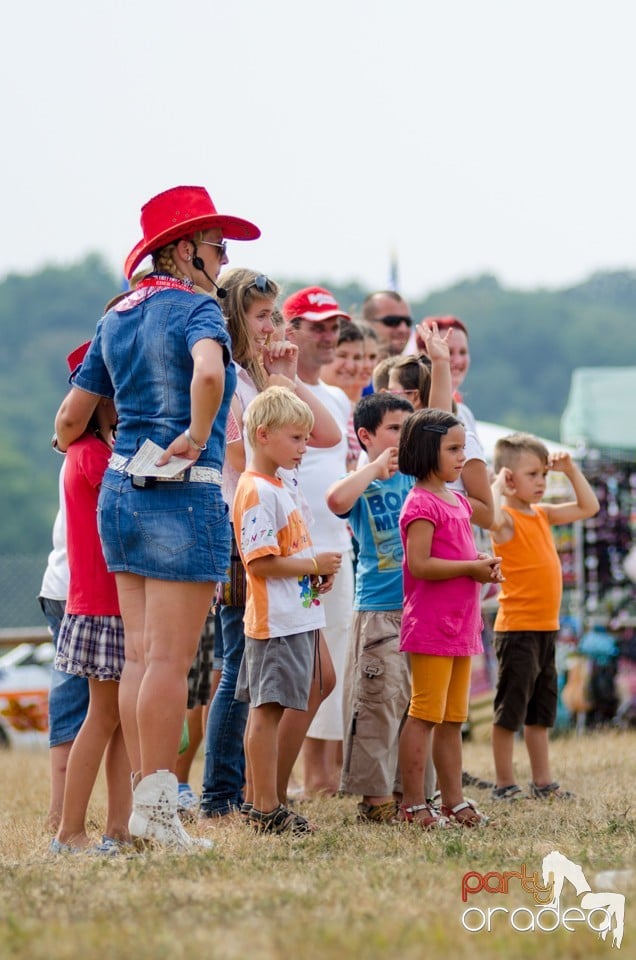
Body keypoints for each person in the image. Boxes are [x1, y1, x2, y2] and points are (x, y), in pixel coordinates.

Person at [54, 184, 259, 848]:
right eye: (215, 245)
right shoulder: (199, 309)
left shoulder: (115, 316)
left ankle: (146, 810)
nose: (222, 257)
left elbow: (69, 419)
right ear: (181, 249)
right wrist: (199, 435)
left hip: (119, 492)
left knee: (142, 660)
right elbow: (207, 375)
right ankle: (157, 812)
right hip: (183, 488)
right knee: (169, 663)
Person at [200, 269, 341, 819]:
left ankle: (264, 794)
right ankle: (227, 794)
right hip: (250, 535)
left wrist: (285, 376)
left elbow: (327, 434)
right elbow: (240, 460)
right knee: (244, 672)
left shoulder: (259, 377)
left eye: (276, 316)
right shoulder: (229, 379)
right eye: (262, 316)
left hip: (289, 539)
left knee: (312, 677)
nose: (272, 326)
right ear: (236, 317)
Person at [233, 387, 342, 833]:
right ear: (263, 435)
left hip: (296, 612)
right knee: (268, 709)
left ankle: (266, 798)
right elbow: (259, 560)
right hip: (274, 621)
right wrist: (311, 565)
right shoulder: (257, 490)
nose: (304, 448)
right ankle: (263, 805)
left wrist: (311, 572)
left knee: (315, 683)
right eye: (296, 439)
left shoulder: (276, 486)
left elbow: (286, 550)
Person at [395, 408, 502, 828]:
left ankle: (453, 801)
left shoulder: (457, 500)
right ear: (426, 451)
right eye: (453, 448)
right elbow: (419, 565)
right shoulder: (420, 503)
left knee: (453, 718)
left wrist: (479, 561)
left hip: (461, 624)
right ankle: (414, 803)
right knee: (425, 713)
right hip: (431, 627)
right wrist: (468, 569)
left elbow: (456, 556)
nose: (463, 457)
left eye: (463, 447)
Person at [488, 433, 599, 801]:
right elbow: (485, 514)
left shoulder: (542, 514)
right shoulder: (503, 519)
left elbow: (589, 507)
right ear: (508, 477)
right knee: (509, 712)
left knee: (540, 713)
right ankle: (505, 784)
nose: (541, 482)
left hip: (546, 630)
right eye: (532, 474)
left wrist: (569, 470)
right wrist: (495, 485)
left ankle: (542, 781)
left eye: (542, 474)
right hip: (517, 631)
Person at [52, 341, 129, 853]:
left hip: (112, 601)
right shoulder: (91, 457)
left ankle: (118, 828)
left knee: (120, 721)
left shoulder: (95, 452)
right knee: (103, 718)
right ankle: (70, 830)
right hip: (102, 603)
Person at [326, 393, 414, 822]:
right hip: (378, 610)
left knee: (414, 706)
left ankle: (409, 794)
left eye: (406, 427)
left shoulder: (416, 477)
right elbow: (336, 501)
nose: (403, 436)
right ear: (366, 435)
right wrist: (373, 469)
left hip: (419, 609)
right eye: (394, 428)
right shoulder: (364, 480)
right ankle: (375, 800)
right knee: (376, 702)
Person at [283, 285, 355, 796]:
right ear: (292, 331)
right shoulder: (275, 392)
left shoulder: (335, 398)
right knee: (295, 661)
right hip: (290, 550)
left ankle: (323, 775)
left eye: (333, 325)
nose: (328, 335)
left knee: (335, 655)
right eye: (317, 326)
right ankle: (291, 776)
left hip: (335, 545)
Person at [38, 460, 90, 833]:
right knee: (74, 699)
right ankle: (61, 815)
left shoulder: (76, 446)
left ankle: (60, 811)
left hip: (62, 583)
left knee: (72, 696)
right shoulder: (92, 449)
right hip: (79, 588)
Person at [320, 321, 366, 470]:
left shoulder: (365, 411)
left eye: (357, 357)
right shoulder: (308, 406)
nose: (351, 365)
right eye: (342, 355)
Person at [361, 290, 413, 358]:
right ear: (367, 324)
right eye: (392, 321)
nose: (403, 329)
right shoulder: (349, 366)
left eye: (408, 322)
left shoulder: (421, 367)